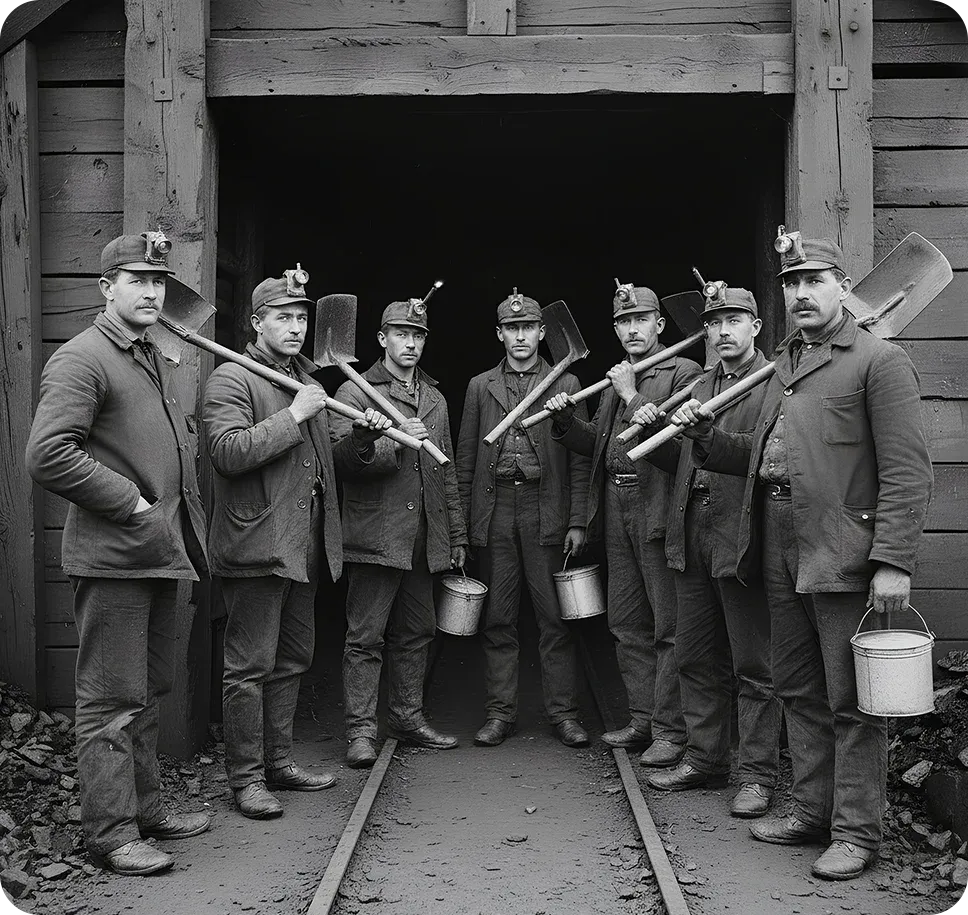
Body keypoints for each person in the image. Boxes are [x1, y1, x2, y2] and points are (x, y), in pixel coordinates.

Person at [670, 233, 932, 880]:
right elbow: (762, 461)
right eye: (792, 283)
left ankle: (855, 831)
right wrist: (706, 440)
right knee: (797, 687)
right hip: (779, 538)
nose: (802, 292)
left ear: (843, 284)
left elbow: (907, 471)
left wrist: (892, 559)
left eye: (815, 279)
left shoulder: (878, 361)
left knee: (851, 699)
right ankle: (810, 809)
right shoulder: (786, 363)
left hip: (843, 547)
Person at [25, 232, 211, 876]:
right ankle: (110, 832)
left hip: (156, 553)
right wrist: (130, 501)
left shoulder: (147, 353)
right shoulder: (83, 358)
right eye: (137, 280)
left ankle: (147, 810)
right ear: (107, 288)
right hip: (113, 557)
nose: (152, 291)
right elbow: (49, 454)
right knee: (110, 700)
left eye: (158, 281)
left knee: (148, 690)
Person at [202, 267, 391, 819]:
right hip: (257, 543)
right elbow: (228, 453)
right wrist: (293, 415)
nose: (296, 326)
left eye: (301, 318)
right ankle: (245, 780)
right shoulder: (232, 379)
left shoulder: (309, 381)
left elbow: (337, 460)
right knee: (249, 666)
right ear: (256, 323)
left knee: (290, 659)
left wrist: (361, 436)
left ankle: (278, 762)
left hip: (304, 548)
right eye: (283, 317)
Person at [629, 285, 781, 818]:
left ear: (756, 327)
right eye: (715, 322)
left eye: (735, 320)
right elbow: (681, 463)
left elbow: (761, 460)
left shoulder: (774, 383)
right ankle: (705, 757)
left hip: (738, 537)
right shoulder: (697, 383)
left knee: (753, 665)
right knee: (694, 654)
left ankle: (759, 775)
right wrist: (660, 433)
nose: (723, 330)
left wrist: (708, 436)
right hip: (690, 532)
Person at [544, 281, 702, 766]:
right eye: (623, 322)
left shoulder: (687, 372)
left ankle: (672, 732)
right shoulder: (622, 374)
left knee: (667, 624)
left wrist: (630, 393)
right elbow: (602, 444)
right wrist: (567, 422)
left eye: (641, 321)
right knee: (627, 620)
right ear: (615, 328)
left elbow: (670, 443)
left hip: (656, 507)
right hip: (616, 506)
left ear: (659, 325)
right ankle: (643, 719)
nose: (632, 329)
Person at [330, 291, 468, 769]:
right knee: (365, 636)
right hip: (376, 535)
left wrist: (456, 535)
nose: (409, 344)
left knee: (417, 630)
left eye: (417, 336)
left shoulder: (434, 398)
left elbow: (446, 472)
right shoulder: (354, 391)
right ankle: (360, 732)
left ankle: (407, 718)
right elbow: (340, 462)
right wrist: (380, 440)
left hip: (422, 538)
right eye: (401, 335)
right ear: (382, 338)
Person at [455, 290, 592, 748]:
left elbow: (579, 461)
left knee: (556, 617)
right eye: (511, 329)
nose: (519, 336)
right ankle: (500, 713)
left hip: (544, 508)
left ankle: (564, 714)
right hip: (496, 513)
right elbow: (466, 457)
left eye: (527, 328)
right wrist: (465, 526)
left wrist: (577, 520)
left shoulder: (567, 384)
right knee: (498, 618)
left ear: (541, 332)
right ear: (499, 334)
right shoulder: (480, 386)